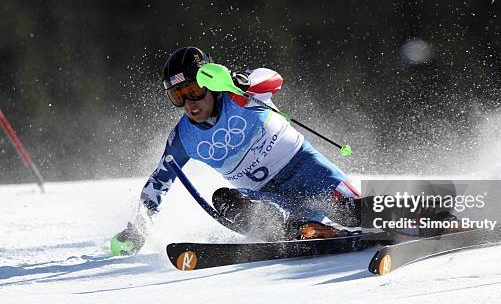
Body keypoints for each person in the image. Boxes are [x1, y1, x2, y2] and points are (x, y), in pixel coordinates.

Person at [111, 46, 363, 255]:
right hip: (270, 198)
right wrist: (140, 227)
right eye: (178, 96)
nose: (190, 104)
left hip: (307, 171)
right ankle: (304, 229)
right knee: (225, 199)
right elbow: (159, 180)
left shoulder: (240, 94)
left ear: (210, 82)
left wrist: (241, 81)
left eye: (194, 91)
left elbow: (273, 78)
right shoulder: (183, 138)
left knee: (355, 212)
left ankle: (392, 209)